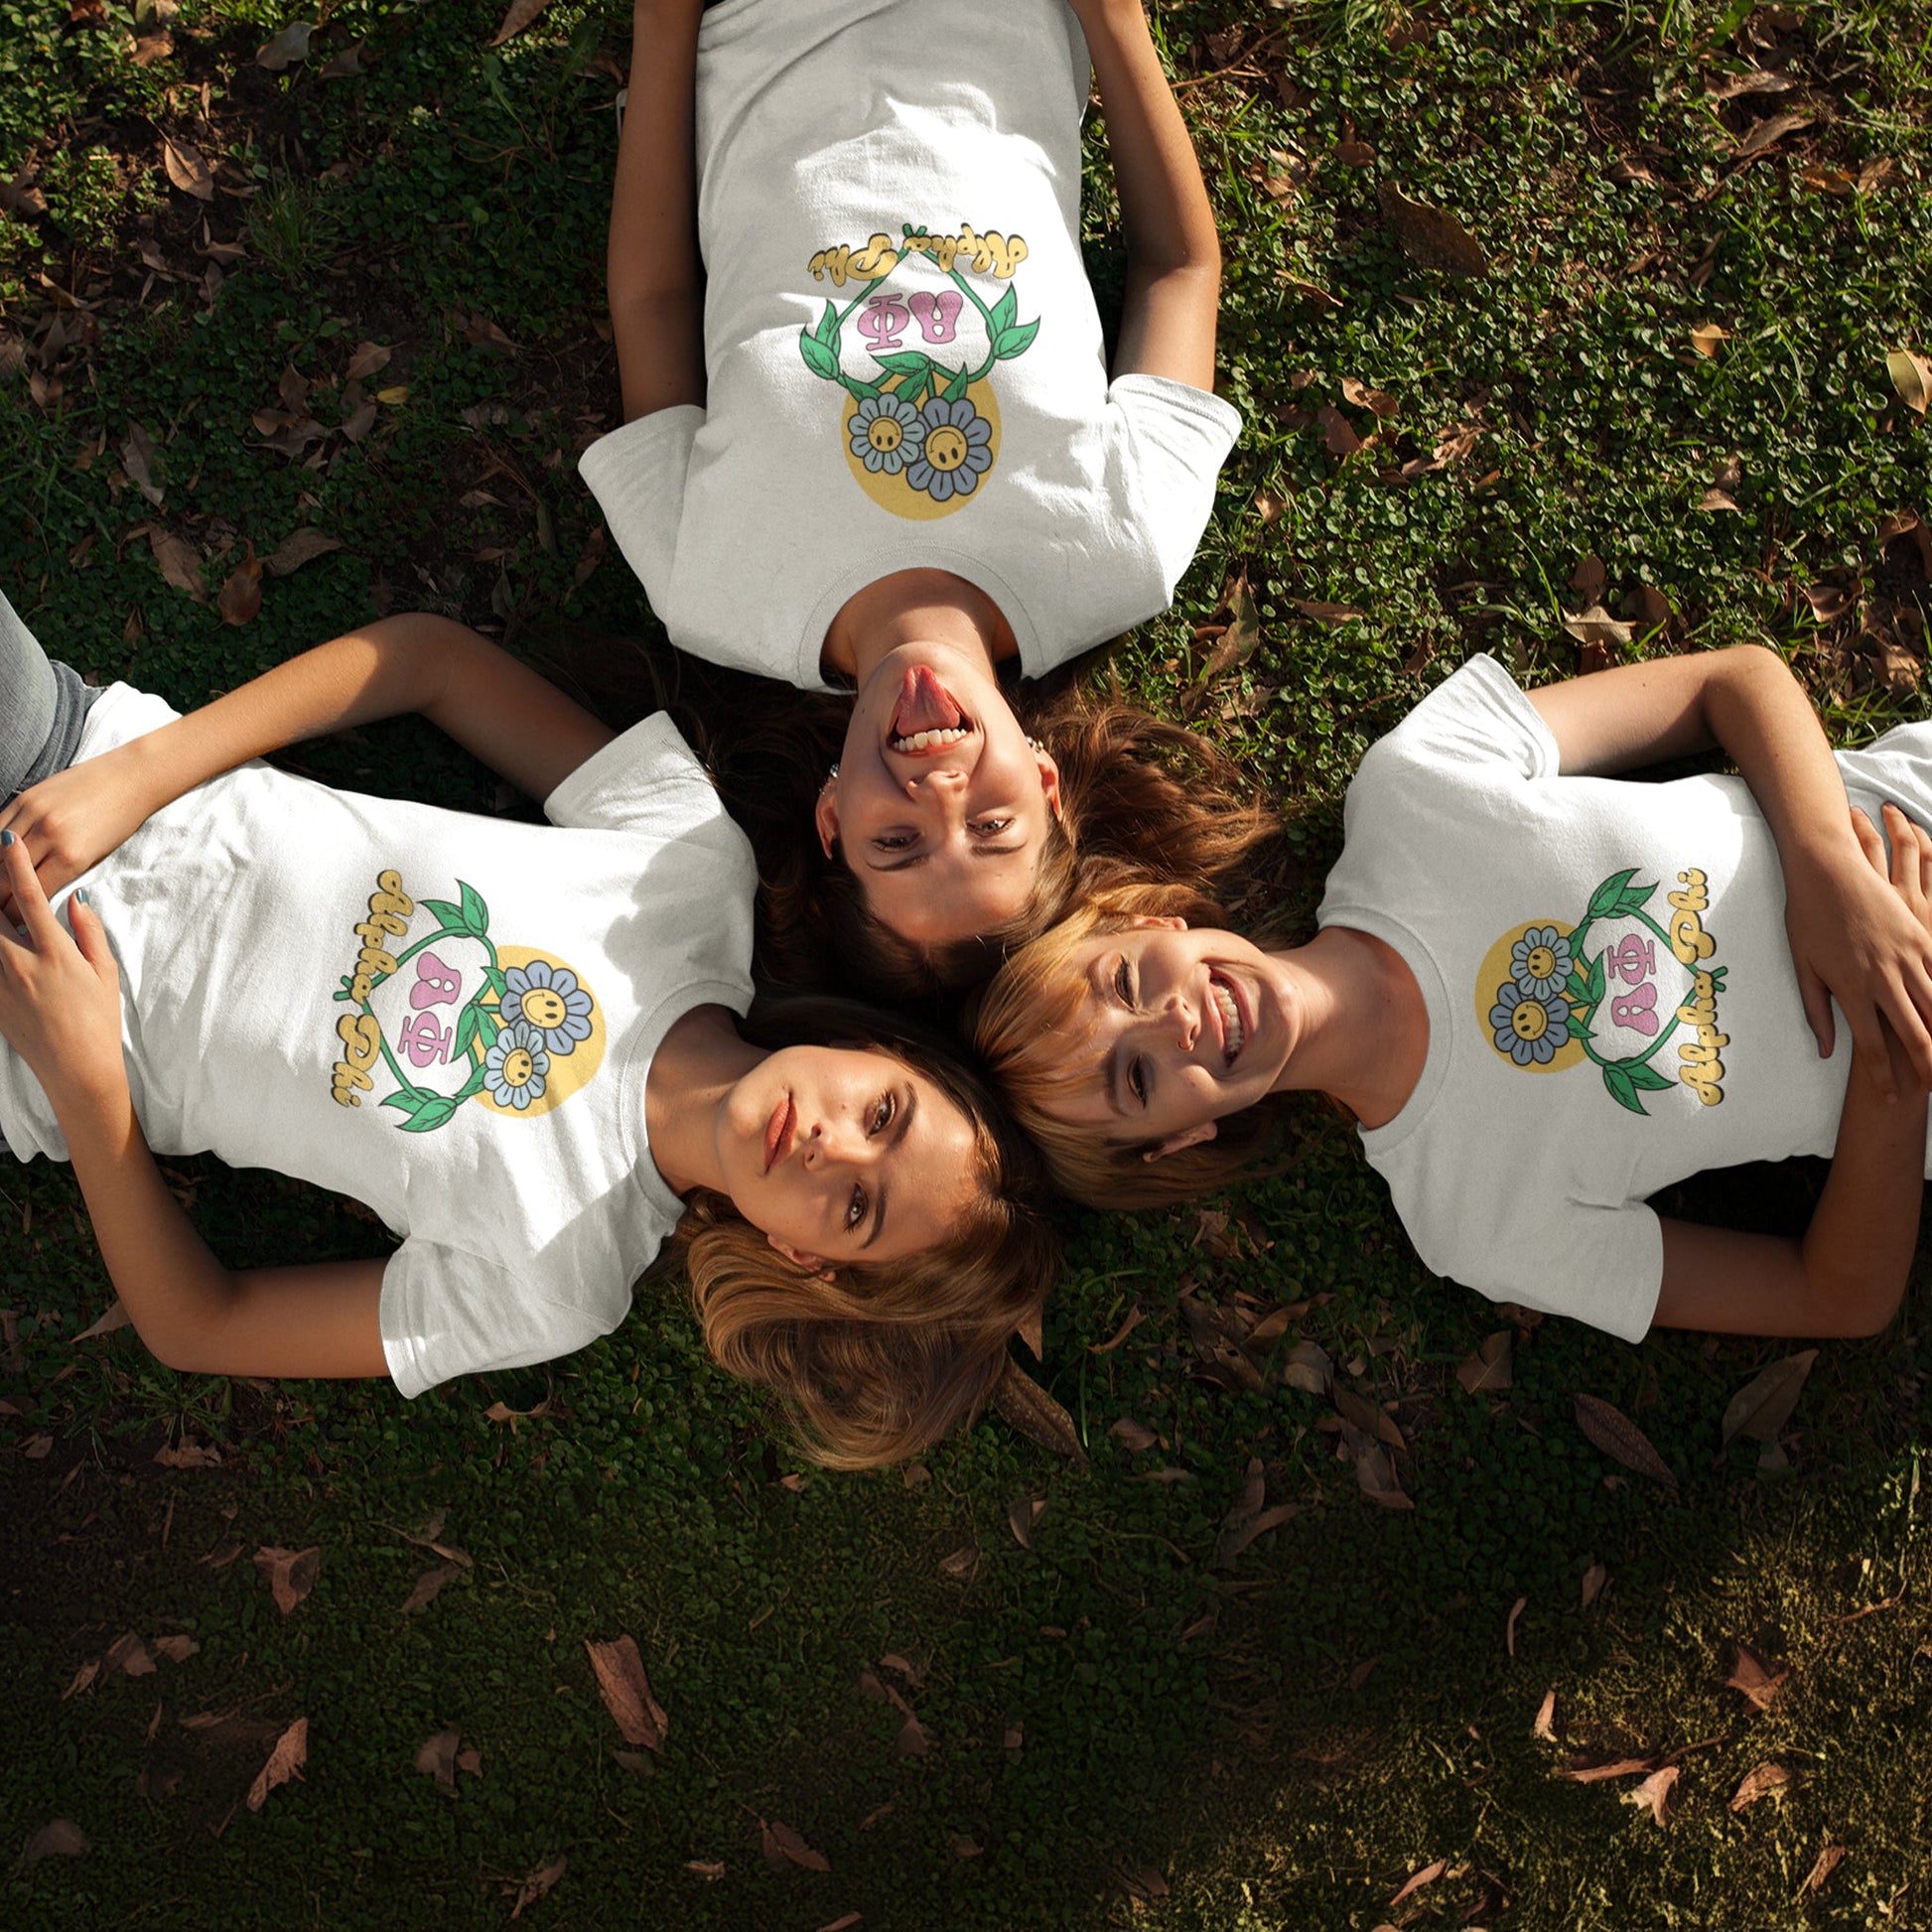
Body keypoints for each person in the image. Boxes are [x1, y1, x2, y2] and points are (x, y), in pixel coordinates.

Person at [0, 597, 1055, 1465]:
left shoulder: (559, 1284)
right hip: (67, 761)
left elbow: (202, 1325)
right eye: (883, 1114)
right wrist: (136, 774)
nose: (834, 1147)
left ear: (806, 1257)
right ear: (875, 1055)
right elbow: (429, 662)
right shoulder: (693, 875)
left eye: (859, 1207)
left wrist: (86, 1086)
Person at [972, 643, 1932, 1341]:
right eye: (1137, 1078)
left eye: (1127, 981)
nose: (1174, 1023)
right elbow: (1836, 1297)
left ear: (1149, 922)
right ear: (1180, 1138)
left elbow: (1732, 681)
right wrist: (1895, 1069)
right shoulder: (1474, 1222)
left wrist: (1825, 867)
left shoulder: (1411, 791)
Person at [587, 0, 1241, 971]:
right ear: (1048, 784)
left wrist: (663, 26)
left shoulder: (708, 586)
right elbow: (1179, 271)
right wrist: (1112, 17)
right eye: (992, 828)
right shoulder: (1125, 546)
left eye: (895, 843)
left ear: (831, 818)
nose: (938, 793)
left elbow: (652, 301)